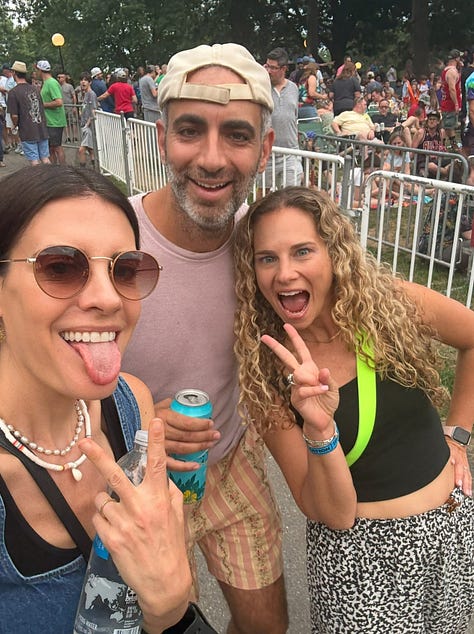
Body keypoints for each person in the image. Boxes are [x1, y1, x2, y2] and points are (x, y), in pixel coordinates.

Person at [233, 185, 474, 634]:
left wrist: (457, 434)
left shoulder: (391, 306)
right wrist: (320, 429)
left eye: (302, 251)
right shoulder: (267, 372)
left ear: (334, 252)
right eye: (267, 258)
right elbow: (330, 512)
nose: (284, 273)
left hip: (451, 533)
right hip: (362, 567)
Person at [121, 43, 288, 634]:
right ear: (163, 138)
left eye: (237, 135)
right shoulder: (113, 240)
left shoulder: (265, 247)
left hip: (231, 459)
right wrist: (139, 422)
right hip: (136, 477)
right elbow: (42, 374)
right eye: (190, 130)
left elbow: (367, 307)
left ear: (264, 149)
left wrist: (449, 434)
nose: (212, 159)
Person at [0, 163, 191, 633]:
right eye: (60, 268)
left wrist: (169, 605)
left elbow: (162, 600)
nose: (108, 299)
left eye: (124, 270)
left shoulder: (132, 404)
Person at [261, 47, 302, 190]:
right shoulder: (261, 87)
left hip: (291, 153)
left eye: (273, 67)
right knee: (262, 195)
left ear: (284, 69)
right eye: (267, 66)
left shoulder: (293, 88)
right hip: (267, 152)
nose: (268, 71)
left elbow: (293, 117)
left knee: (292, 195)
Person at [7, 60, 50, 166]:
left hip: (27, 130)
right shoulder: (35, 89)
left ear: (14, 73)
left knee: (34, 161)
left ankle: (39, 176)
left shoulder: (13, 92)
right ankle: (51, 175)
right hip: (41, 128)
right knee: (45, 158)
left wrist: (15, 125)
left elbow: (14, 116)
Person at [37, 60, 67, 164]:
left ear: (40, 70)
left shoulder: (51, 83)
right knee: (51, 148)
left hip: (55, 121)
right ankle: (54, 170)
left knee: (57, 147)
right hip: (49, 121)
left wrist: (42, 105)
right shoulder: (46, 83)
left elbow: (59, 102)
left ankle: (64, 170)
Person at [440, 49, 462, 151]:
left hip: (446, 102)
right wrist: (456, 103)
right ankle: (452, 145)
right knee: (449, 126)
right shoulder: (452, 72)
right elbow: (452, 89)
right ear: (456, 58)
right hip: (450, 103)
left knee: (448, 125)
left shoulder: (446, 70)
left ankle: (446, 144)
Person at [77, 72, 97, 169]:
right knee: (90, 149)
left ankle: (83, 170)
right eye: (81, 80)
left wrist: (87, 124)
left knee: (81, 150)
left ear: (90, 82)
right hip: (84, 124)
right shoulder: (85, 94)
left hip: (88, 126)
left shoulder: (91, 94)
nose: (83, 82)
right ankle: (95, 167)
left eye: (85, 80)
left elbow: (93, 110)